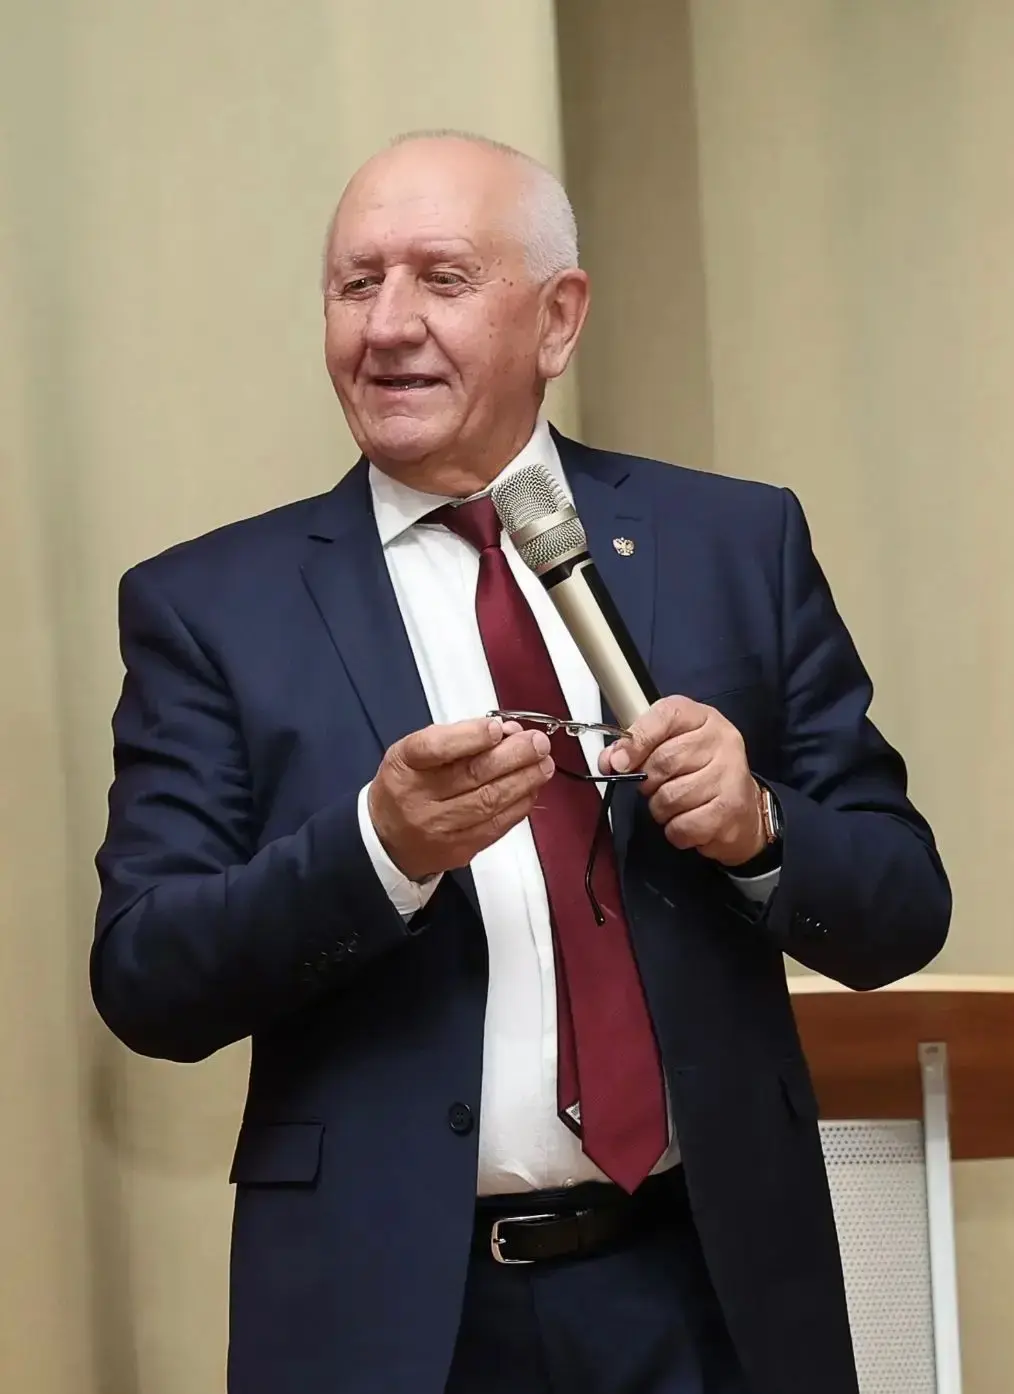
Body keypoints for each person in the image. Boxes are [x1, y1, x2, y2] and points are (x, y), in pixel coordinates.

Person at [91, 131, 951, 1394]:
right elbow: (147, 975)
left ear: (558, 318)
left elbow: (903, 905)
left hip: (707, 1297)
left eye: (441, 278)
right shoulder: (212, 607)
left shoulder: (733, 542)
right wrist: (380, 851)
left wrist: (760, 826)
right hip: (394, 1322)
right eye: (355, 284)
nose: (387, 324)